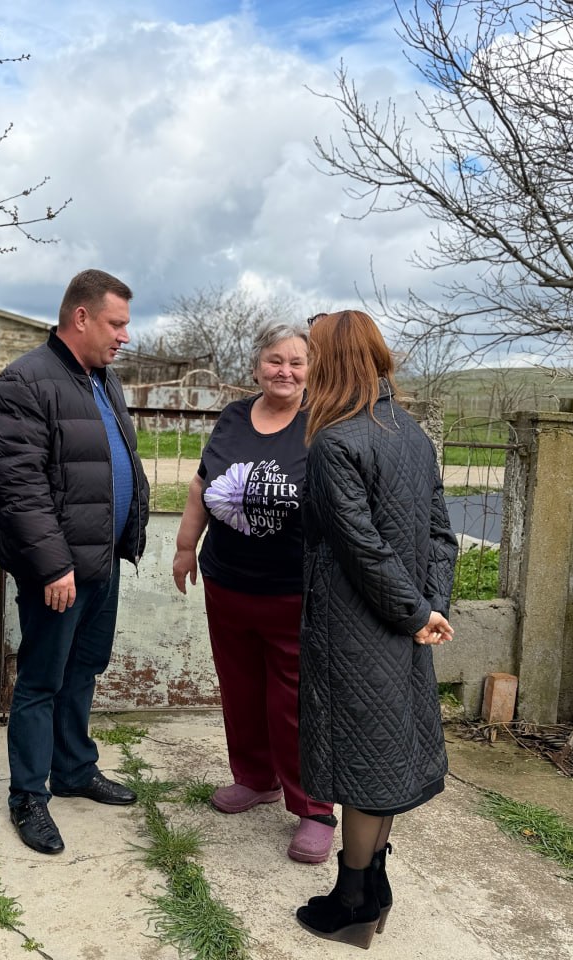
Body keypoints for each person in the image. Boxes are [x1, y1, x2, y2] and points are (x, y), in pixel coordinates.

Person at [294, 310, 458, 948]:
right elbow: (441, 535)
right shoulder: (410, 433)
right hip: (401, 624)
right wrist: (428, 611)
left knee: (363, 762)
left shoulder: (336, 442)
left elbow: (360, 549)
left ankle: (353, 899)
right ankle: (374, 885)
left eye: (312, 354)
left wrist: (417, 614)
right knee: (383, 755)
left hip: (356, 628)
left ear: (332, 361)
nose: (307, 366)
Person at [0, 268, 149, 855]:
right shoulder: (24, 382)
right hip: (59, 571)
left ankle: (75, 769)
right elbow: (21, 488)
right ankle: (29, 796)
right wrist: (55, 566)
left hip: (101, 561)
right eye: (116, 323)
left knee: (84, 669)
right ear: (81, 317)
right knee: (40, 680)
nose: (124, 336)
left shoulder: (103, 378)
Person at [171, 321, 338, 864]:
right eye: (274, 360)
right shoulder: (234, 416)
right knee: (241, 689)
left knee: (295, 702)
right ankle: (255, 778)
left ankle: (314, 808)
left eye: (296, 362)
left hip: (294, 591)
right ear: (257, 365)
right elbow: (201, 483)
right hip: (227, 582)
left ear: (312, 370)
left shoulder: (322, 423)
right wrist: (185, 546)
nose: (284, 371)